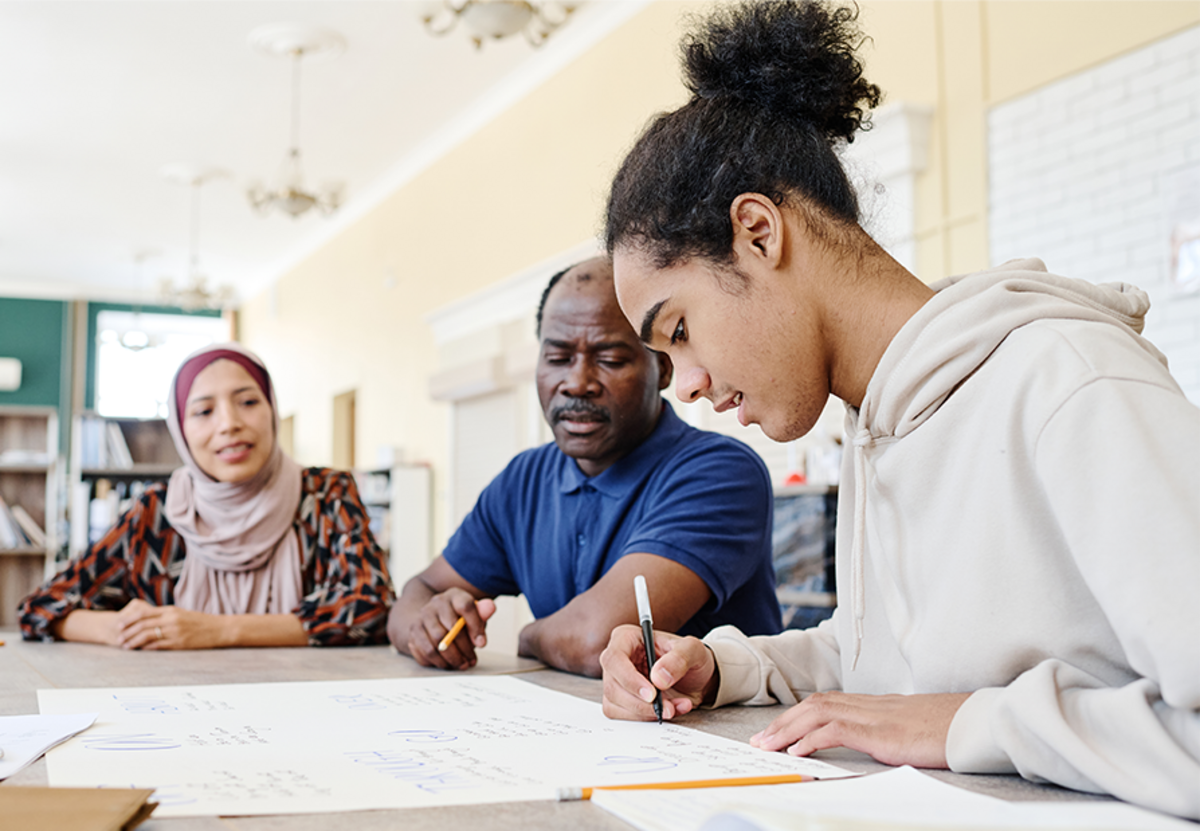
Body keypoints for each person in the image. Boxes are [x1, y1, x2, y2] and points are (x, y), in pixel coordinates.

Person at [596, 0, 1200, 820]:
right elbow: (885, 656)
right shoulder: (883, 420)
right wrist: (718, 665)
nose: (689, 383)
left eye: (678, 329)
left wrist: (971, 722)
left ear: (758, 232)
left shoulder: (1067, 382)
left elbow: (946, 704)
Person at [388, 256, 781, 677]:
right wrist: (429, 627)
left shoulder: (720, 472)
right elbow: (416, 595)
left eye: (610, 359)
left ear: (663, 367)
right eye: (557, 358)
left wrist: (527, 637)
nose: (577, 383)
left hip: (710, 737)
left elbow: (599, 640)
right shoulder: (524, 480)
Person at [20, 343, 394, 649]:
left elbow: (373, 608)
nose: (229, 423)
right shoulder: (158, 511)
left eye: (248, 402)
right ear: (180, 429)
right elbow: (41, 607)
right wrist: (119, 628)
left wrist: (219, 630)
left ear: (272, 410)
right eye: (203, 411)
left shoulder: (325, 493)